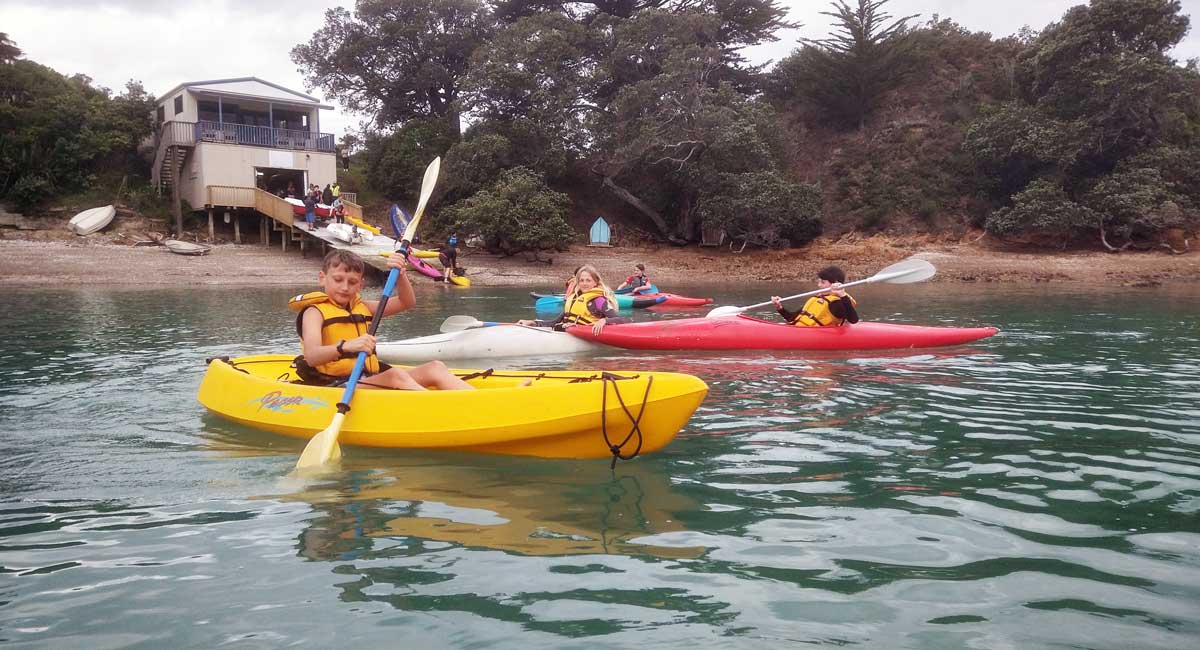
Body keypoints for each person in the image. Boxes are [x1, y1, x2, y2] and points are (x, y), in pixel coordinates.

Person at [290, 249, 474, 391]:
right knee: (394, 376)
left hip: (367, 378)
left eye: (352, 282)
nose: (345, 287)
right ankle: (446, 409)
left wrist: (401, 275)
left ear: (360, 284)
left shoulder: (363, 307)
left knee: (435, 367)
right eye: (338, 279)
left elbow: (406, 302)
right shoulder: (314, 312)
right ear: (323, 278)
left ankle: (477, 402)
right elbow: (312, 356)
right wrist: (346, 346)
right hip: (337, 385)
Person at [518, 265, 622, 334]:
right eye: (581, 280)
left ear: (596, 283)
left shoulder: (598, 300)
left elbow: (619, 320)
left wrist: (603, 321)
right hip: (567, 332)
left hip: (586, 335)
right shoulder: (573, 299)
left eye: (588, 280)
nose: (584, 283)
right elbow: (555, 321)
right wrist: (533, 323)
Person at [771, 265, 860, 327]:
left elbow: (853, 320)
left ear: (835, 283)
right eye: (819, 282)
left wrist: (843, 295)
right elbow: (792, 318)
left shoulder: (836, 303)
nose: (819, 285)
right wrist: (780, 308)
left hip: (814, 335)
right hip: (799, 330)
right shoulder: (817, 299)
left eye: (823, 282)